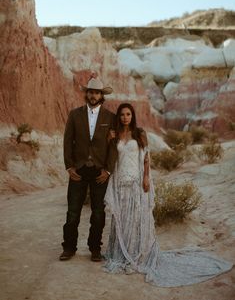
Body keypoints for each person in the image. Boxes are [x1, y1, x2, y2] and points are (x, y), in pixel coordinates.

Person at [104, 103, 233, 287]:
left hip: (136, 182)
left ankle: (137, 254)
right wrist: (109, 140)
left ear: (132, 116)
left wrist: (147, 178)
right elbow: (111, 157)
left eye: (128, 114)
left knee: (137, 218)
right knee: (122, 219)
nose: (125, 117)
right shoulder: (115, 135)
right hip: (119, 183)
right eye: (122, 114)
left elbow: (146, 157)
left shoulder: (139, 133)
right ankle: (121, 252)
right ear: (118, 117)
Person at [60, 77, 117, 262]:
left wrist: (108, 170)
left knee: (98, 212)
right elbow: (67, 142)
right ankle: (69, 248)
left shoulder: (110, 117)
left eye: (97, 92)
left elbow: (114, 146)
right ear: (87, 94)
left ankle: (95, 249)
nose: (93, 95)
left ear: (102, 95)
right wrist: (69, 166)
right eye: (91, 92)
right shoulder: (74, 114)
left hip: (100, 172)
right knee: (72, 212)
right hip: (79, 170)